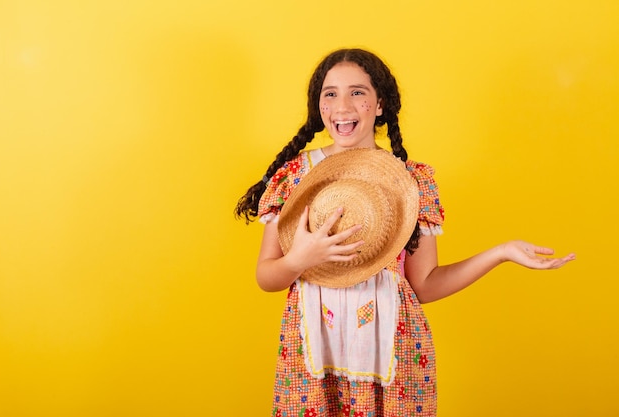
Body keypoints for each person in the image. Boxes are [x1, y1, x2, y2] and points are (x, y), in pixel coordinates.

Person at [234, 48, 575, 417]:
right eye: (329, 94)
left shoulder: (411, 182)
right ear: (319, 107)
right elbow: (266, 277)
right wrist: (300, 259)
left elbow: (425, 284)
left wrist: (501, 252)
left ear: (380, 104)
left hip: (395, 362)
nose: (342, 106)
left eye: (358, 92)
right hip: (313, 362)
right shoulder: (296, 176)